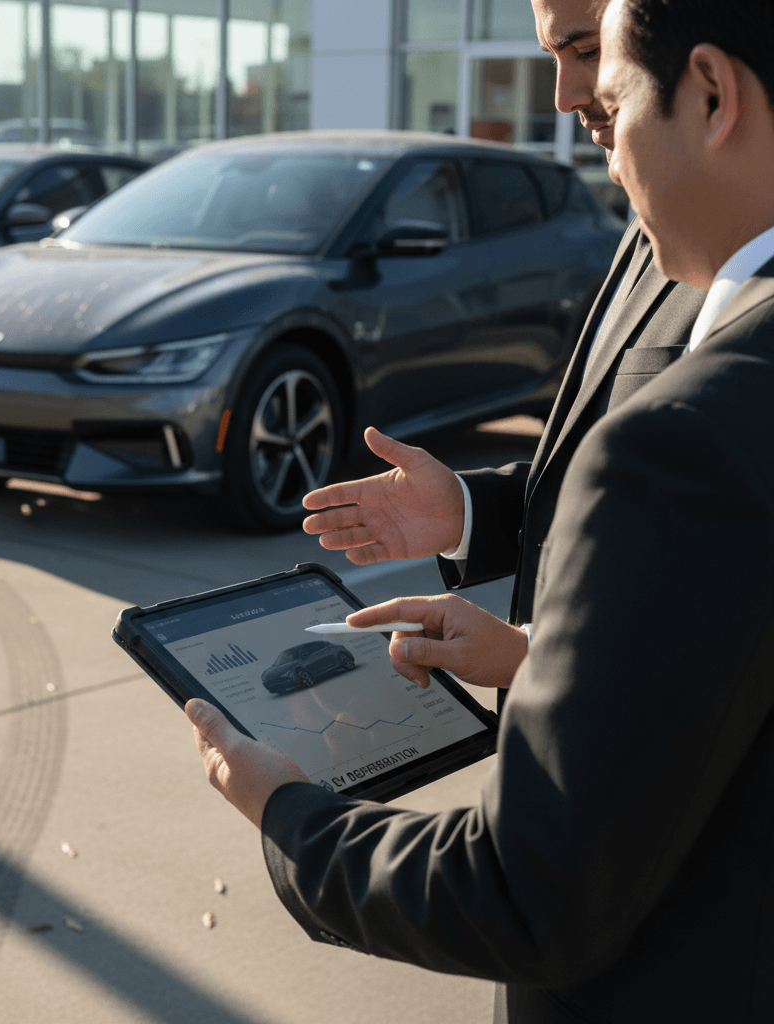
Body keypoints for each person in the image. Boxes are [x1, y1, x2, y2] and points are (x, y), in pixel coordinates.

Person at [186, 0, 774, 1020]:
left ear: (712, 94)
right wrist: (537, 640)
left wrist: (288, 816)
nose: (575, 101)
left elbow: (525, 893)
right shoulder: (668, 253)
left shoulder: (684, 436)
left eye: (605, 67)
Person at [300, 0, 708, 696]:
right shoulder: (646, 230)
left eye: (586, 50)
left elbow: (722, 592)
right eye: (553, 58)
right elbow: (622, 486)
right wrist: (465, 509)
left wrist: (533, 662)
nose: (565, 98)